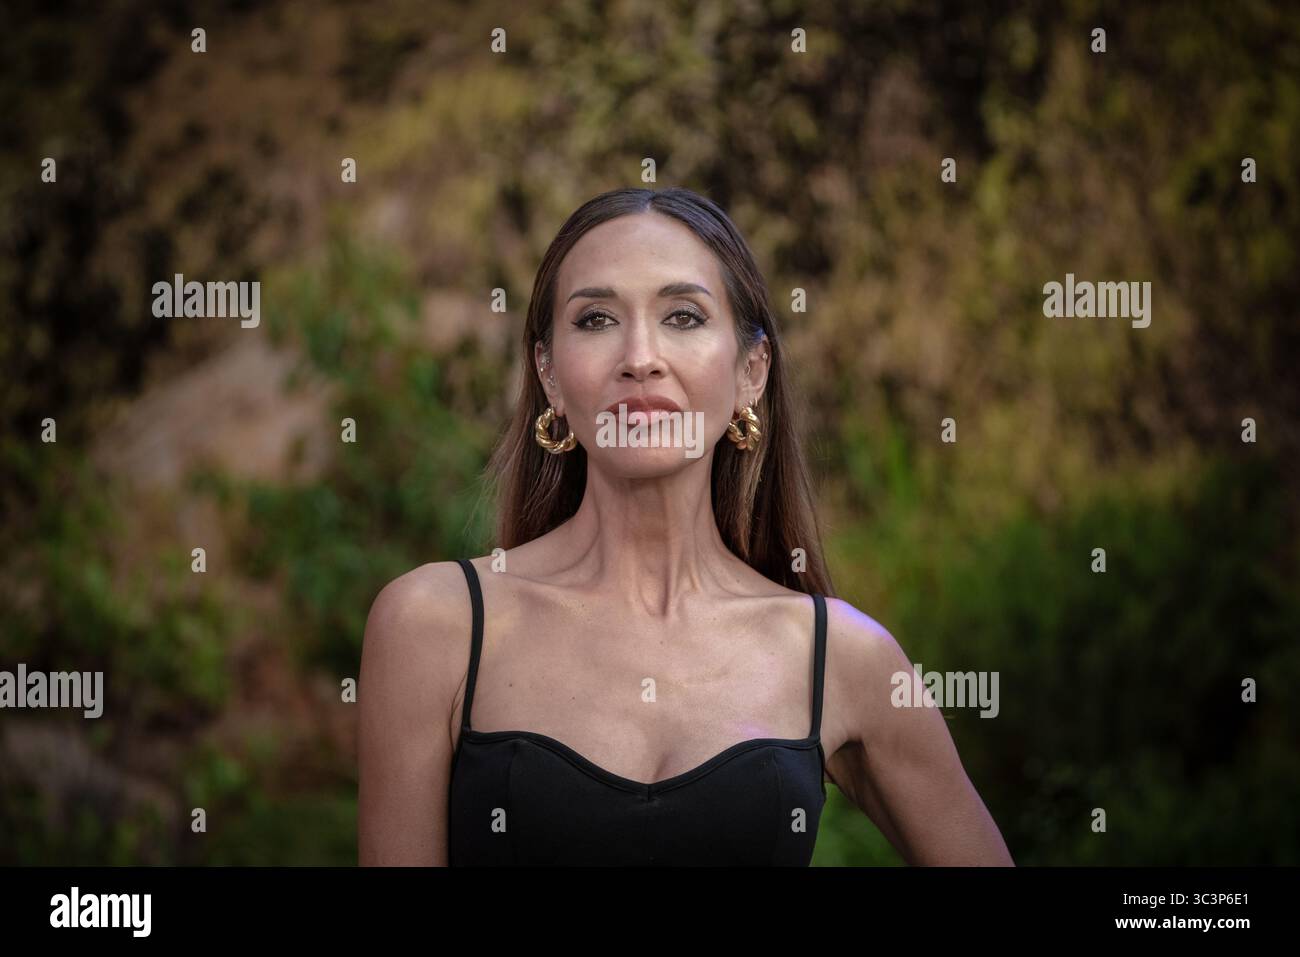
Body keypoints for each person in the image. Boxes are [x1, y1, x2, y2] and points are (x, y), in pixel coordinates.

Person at [357, 186, 1013, 866]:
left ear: (750, 373)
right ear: (548, 374)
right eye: (595, 320)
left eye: (682, 315)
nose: (641, 355)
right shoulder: (435, 627)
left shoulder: (840, 655)